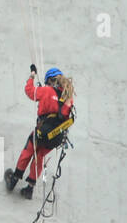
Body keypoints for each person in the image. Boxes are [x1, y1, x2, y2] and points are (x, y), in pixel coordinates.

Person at [5, 65, 75, 199]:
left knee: (29, 150)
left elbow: (29, 91)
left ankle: (14, 179)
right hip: (56, 136)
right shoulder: (68, 97)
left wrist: (32, 75)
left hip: (42, 131)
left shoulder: (47, 90)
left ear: (49, 80)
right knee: (40, 156)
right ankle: (29, 189)